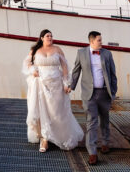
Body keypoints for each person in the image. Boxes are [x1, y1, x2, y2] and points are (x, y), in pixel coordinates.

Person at [23, 29, 84, 153]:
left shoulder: (57, 49)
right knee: (41, 111)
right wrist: (32, 71)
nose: (50, 38)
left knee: (56, 111)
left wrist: (66, 83)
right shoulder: (35, 50)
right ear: (41, 38)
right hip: (40, 85)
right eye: (47, 36)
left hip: (56, 85)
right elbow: (27, 64)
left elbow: (65, 66)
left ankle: (58, 135)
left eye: (51, 36)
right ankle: (44, 139)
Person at [69, 31, 117, 166]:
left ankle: (105, 142)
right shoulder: (81, 53)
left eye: (101, 40)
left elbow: (113, 74)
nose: (102, 42)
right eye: (99, 40)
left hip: (104, 94)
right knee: (91, 122)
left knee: (105, 120)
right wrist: (71, 86)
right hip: (89, 95)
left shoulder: (107, 54)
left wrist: (113, 92)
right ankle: (92, 152)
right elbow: (76, 71)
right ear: (92, 42)